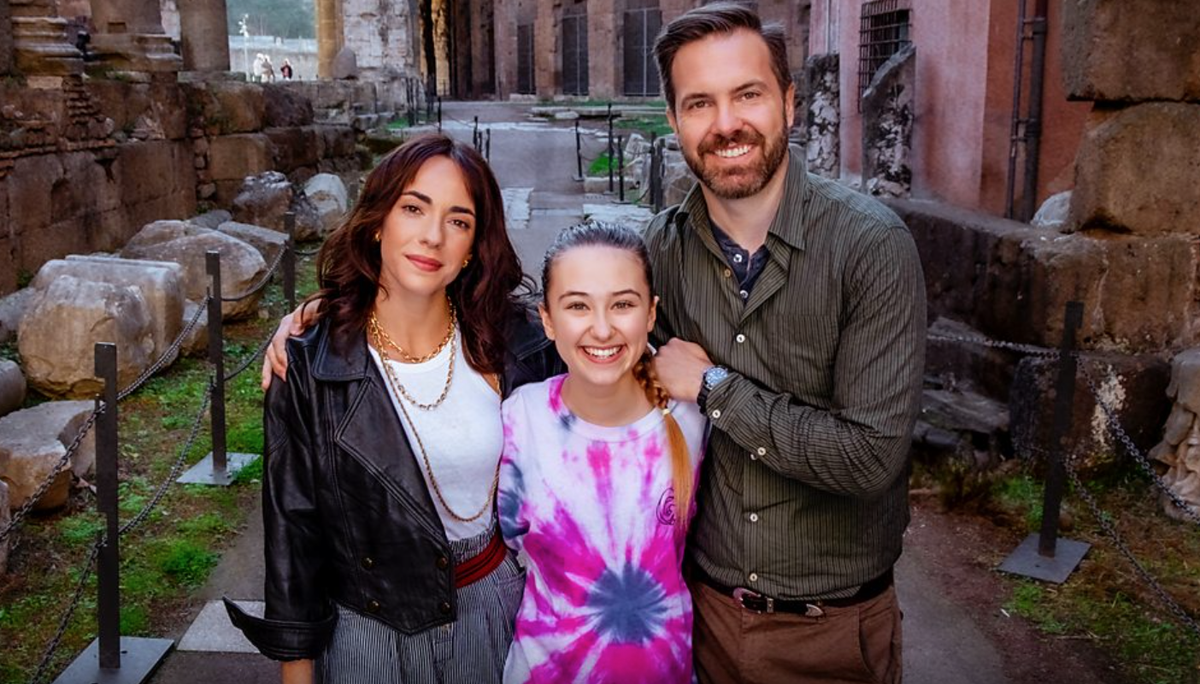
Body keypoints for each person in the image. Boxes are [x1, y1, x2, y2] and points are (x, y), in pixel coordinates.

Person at [646, 4, 926, 683]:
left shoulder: (871, 248)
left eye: (748, 94)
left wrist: (715, 390)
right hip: (702, 619)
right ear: (674, 121)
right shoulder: (659, 251)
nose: (726, 124)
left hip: (830, 631)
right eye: (699, 103)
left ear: (789, 104)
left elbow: (868, 458)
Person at [226, 133, 561, 684]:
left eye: (458, 220)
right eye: (413, 208)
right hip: (368, 631)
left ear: (474, 245)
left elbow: (607, 344)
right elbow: (293, 530)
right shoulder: (310, 363)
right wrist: (297, 672)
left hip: (496, 611)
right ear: (379, 219)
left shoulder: (520, 341)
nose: (432, 236)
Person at [498, 223, 706, 684]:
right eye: (577, 306)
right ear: (548, 319)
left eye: (623, 304)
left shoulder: (691, 418)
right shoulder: (520, 421)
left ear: (651, 314)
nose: (603, 328)